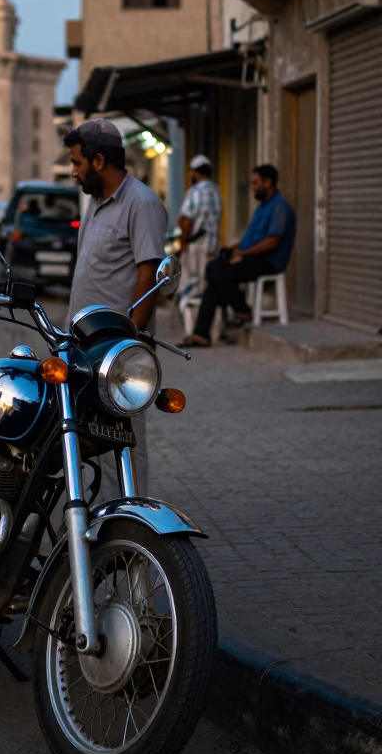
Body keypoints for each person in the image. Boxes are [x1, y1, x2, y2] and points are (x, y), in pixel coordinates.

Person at [65, 119, 167, 501]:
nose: (74, 172)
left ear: (99, 160)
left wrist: (129, 344)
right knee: (86, 438)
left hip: (118, 353)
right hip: (82, 346)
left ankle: (132, 524)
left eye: (77, 163)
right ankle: (97, 524)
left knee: (124, 443)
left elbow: (149, 275)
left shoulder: (141, 203)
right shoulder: (93, 204)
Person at [179, 163, 296, 348]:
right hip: (251, 257)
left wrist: (243, 254)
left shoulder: (279, 207)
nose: (253, 187)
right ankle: (202, 334)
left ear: (268, 183)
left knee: (215, 271)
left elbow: (271, 242)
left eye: (256, 183)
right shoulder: (262, 207)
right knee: (215, 276)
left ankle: (241, 310)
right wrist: (233, 249)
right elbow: (250, 238)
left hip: (268, 261)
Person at [176, 155, 222, 304]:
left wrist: (183, 242)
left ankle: (195, 322)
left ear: (196, 172)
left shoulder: (195, 192)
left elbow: (188, 220)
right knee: (208, 282)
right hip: (212, 245)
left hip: (197, 245)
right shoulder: (216, 191)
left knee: (194, 284)